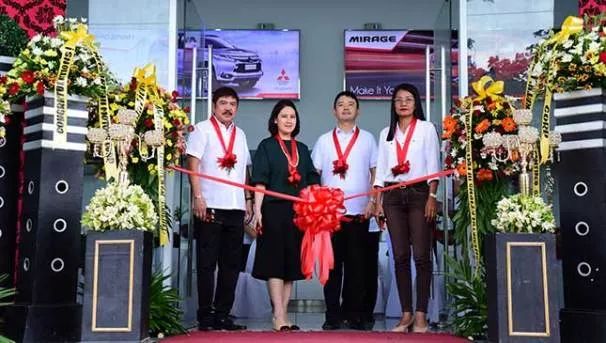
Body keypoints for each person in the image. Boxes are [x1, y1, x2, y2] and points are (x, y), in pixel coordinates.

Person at [373, 83, 440, 333]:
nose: (403, 103)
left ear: (416, 103)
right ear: (393, 104)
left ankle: (421, 314)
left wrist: (432, 196)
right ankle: (406, 314)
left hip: (419, 194)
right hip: (392, 196)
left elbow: (434, 166)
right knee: (399, 257)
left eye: (408, 99)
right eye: (398, 99)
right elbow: (380, 172)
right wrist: (378, 204)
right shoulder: (385, 133)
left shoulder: (426, 129)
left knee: (421, 256)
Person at [311, 91, 378, 330]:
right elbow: (314, 175)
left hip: (359, 213)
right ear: (334, 111)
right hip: (330, 217)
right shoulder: (324, 141)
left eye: (351, 104)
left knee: (357, 268)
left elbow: (375, 174)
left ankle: (356, 314)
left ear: (358, 110)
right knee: (331, 268)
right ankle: (332, 316)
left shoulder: (368, 139)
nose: (346, 108)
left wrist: (373, 202)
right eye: (341, 104)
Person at [251, 100, 320, 331]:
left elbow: (312, 179)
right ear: (275, 120)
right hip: (273, 210)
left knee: (291, 266)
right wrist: (257, 211)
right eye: (284, 116)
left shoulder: (302, 148)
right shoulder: (266, 146)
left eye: (292, 116)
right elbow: (259, 181)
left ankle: (284, 315)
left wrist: (317, 206)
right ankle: (278, 315)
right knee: (274, 264)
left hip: (298, 213)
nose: (289, 120)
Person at [186, 86, 251, 331]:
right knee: (206, 263)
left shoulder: (241, 134)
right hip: (210, 204)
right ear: (214, 106)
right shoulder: (201, 130)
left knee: (231, 264)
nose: (227, 108)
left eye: (232, 104)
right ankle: (205, 315)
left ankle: (223, 314)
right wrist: (198, 196)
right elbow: (193, 162)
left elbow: (244, 168)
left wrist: (246, 198)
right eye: (223, 103)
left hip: (235, 206)